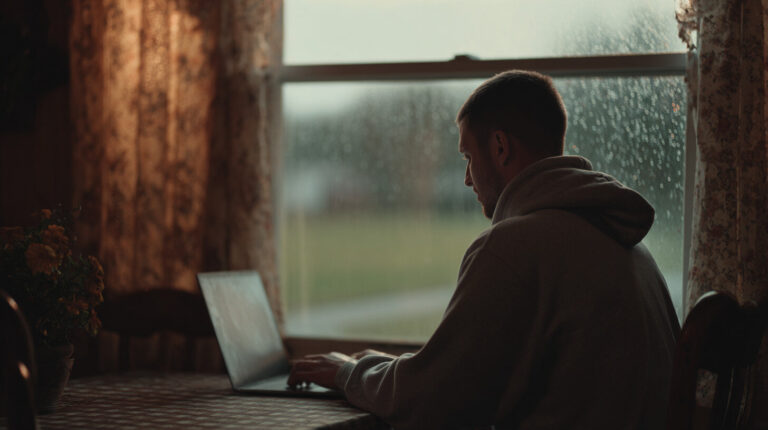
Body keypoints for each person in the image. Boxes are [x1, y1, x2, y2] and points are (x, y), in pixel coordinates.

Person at [288, 70, 681, 429]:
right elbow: (464, 375)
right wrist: (388, 368)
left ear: (500, 147)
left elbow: (431, 402)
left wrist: (347, 373)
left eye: (467, 157)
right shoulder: (630, 245)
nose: (465, 178)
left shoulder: (514, 246)